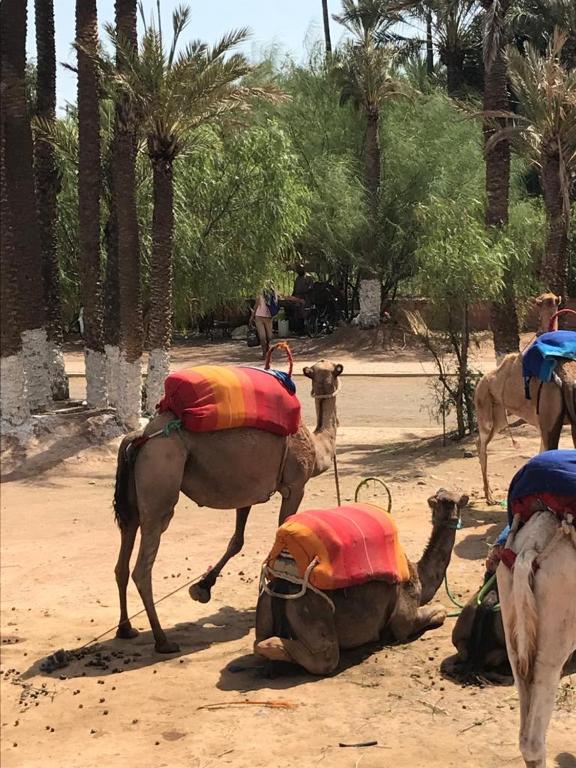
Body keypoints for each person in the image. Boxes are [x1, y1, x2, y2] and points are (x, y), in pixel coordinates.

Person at [251, 284, 277, 358]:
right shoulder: (263, 293)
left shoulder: (269, 295)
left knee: (266, 337)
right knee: (265, 337)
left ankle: (266, 351)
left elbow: (256, 305)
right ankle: (265, 353)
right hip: (262, 317)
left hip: (264, 317)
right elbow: (256, 305)